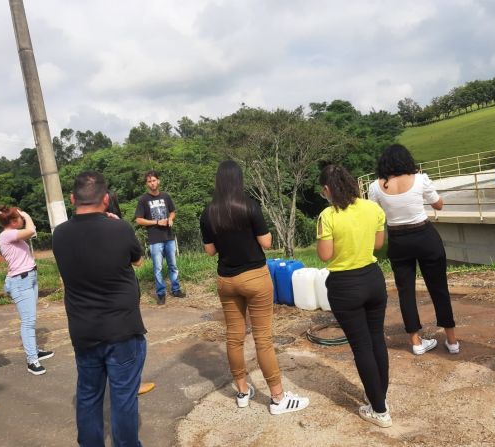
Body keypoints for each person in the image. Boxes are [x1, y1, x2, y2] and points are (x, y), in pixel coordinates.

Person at [200, 160, 309, 415]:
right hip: (255, 278)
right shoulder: (249, 205)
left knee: (234, 337)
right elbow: (267, 242)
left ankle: (242, 391)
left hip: (227, 281)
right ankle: (278, 398)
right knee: (263, 339)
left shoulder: (208, 212)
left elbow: (209, 250)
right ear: (239, 180)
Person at [53, 171, 147, 446]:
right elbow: (138, 261)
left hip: (84, 331)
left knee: (88, 396)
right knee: (123, 399)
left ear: (72, 199)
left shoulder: (60, 235)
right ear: (106, 199)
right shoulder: (120, 229)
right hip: (123, 331)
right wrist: (118, 224)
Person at [316, 164, 391, 428]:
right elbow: (378, 244)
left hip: (344, 286)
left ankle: (379, 410)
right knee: (376, 339)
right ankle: (380, 395)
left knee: (361, 346)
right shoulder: (373, 208)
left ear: (327, 189)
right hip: (373, 279)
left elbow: (325, 255)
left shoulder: (328, 215)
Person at [368, 144, 459, 356]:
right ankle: (452, 341)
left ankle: (416, 342)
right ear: (406, 160)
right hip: (425, 236)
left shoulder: (375, 187)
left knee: (406, 292)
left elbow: (374, 214)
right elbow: (438, 205)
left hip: (398, 240)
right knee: (439, 289)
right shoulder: (420, 179)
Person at [107, 191, 156, 397]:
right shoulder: (119, 227)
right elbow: (138, 261)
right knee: (132, 342)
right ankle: (131, 384)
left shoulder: (74, 231)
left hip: (97, 299)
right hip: (122, 291)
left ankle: (121, 383)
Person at [0, 206, 54, 375]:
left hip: (28, 278)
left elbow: (30, 233)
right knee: (28, 321)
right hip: (21, 282)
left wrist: (23, 216)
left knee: (29, 318)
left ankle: (35, 351)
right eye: (19, 218)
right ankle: (31, 360)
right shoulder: (7, 234)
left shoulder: (13, 235)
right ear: (14, 221)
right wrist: (26, 215)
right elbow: (31, 230)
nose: (22, 219)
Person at [134, 170, 185, 304]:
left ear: (158, 181)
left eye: (154, 180)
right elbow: (138, 220)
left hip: (168, 236)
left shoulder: (166, 196)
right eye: (149, 181)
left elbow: (173, 212)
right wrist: (156, 222)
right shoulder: (143, 200)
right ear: (147, 184)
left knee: (173, 265)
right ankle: (161, 293)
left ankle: (176, 289)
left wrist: (170, 219)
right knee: (158, 268)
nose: (152, 183)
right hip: (155, 238)